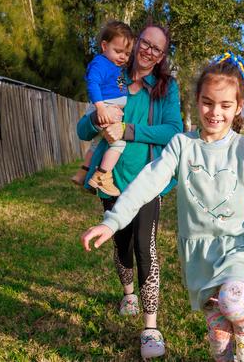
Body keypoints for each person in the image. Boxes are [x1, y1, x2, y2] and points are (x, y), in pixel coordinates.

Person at [81, 52, 244, 362]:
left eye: (225, 106)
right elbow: (147, 182)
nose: (215, 112)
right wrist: (113, 221)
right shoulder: (182, 146)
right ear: (196, 101)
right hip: (200, 257)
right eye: (208, 103)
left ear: (238, 107)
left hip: (239, 248)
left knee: (233, 302)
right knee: (219, 340)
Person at [76, 24, 183, 359]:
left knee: (144, 246)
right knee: (120, 242)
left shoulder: (165, 88)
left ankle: (150, 327)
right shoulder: (113, 77)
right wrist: (99, 117)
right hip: (111, 180)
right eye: (145, 43)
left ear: (163, 56)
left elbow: (173, 131)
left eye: (158, 49)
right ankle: (128, 294)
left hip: (149, 180)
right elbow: (83, 129)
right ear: (136, 42)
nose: (149, 52)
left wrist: (127, 129)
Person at [70, 20, 135, 197]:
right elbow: (93, 84)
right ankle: (102, 176)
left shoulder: (115, 66)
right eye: (118, 51)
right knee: (119, 143)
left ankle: (82, 173)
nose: (123, 57)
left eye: (127, 53)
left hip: (107, 107)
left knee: (97, 144)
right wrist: (100, 108)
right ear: (104, 46)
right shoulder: (101, 63)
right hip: (105, 108)